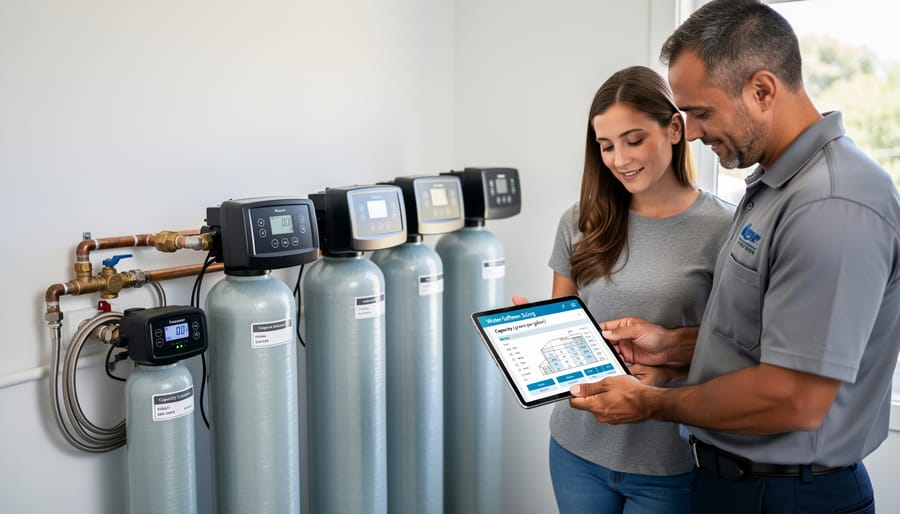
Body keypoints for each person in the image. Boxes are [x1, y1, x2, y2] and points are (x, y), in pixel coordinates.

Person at [569, 1, 900, 513]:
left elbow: (793, 396)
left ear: (762, 90)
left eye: (701, 112)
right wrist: (670, 347)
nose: (694, 132)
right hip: (738, 484)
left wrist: (654, 403)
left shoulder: (832, 205)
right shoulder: (775, 188)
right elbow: (766, 341)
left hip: (786, 495)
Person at [526, 65, 734, 514]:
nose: (619, 159)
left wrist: (669, 375)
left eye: (633, 139)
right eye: (606, 146)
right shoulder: (580, 220)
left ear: (674, 128)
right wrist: (530, 334)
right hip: (576, 449)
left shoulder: (726, 228)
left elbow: (738, 350)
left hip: (671, 462)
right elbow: (565, 326)